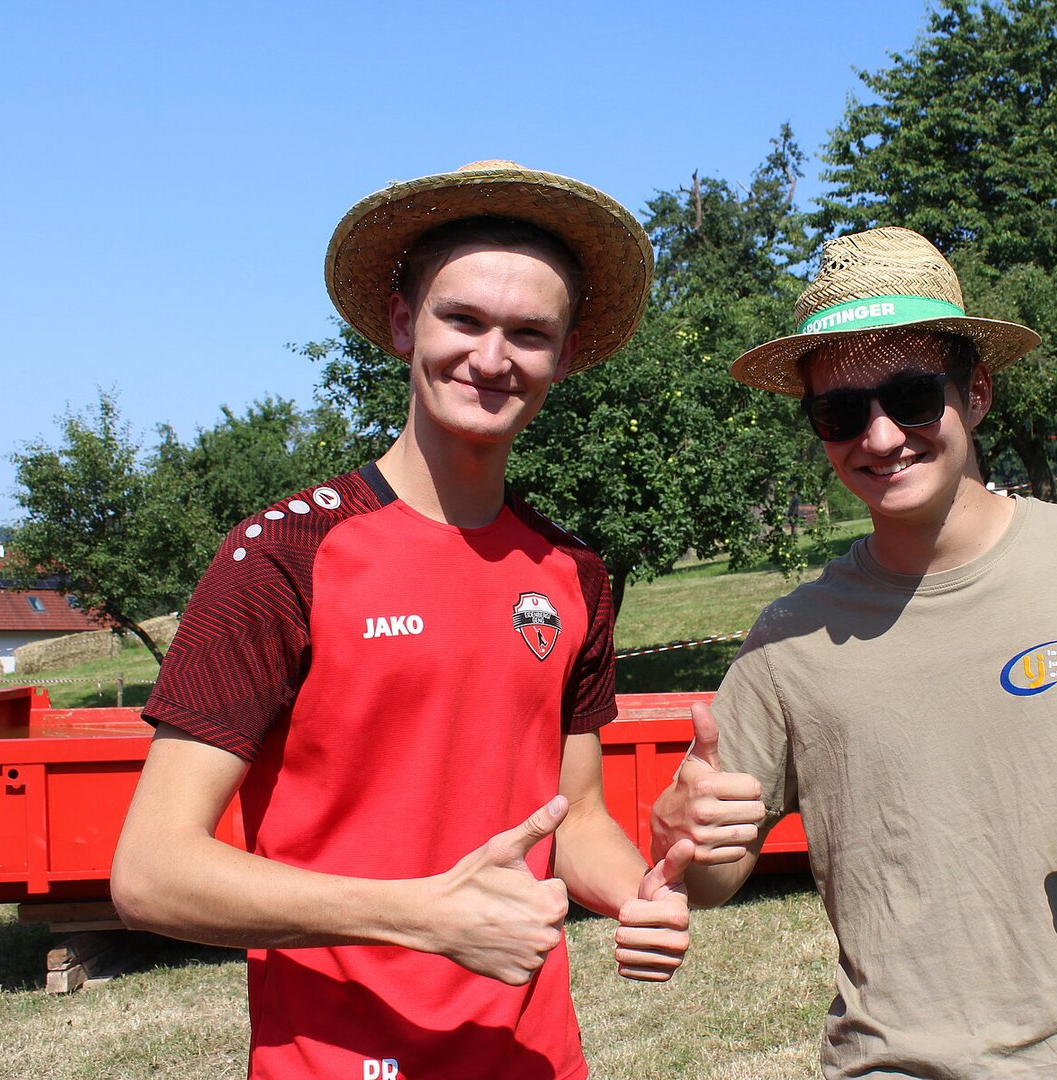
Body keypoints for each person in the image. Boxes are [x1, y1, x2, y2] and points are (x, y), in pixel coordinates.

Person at [651, 226, 1057, 1079]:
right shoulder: (787, 641)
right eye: (840, 412)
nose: (879, 437)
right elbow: (711, 877)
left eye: (912, 397)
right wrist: (688, 838)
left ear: (979, 393)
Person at [112, 160, 693, 1080]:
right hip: (338, 1060)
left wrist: (639, 894)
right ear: (400, 323)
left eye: (529, 333)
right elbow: (151, 873)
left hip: (532, 1059)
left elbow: (575, 814)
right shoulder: (283, 555)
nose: (492, 359)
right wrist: (423, 916)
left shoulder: (573, 573)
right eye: (462, 319)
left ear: (566, 353)